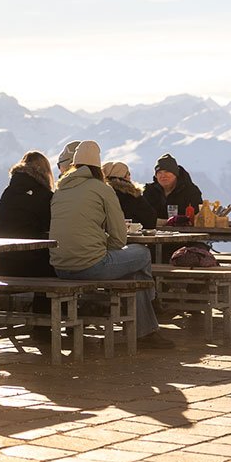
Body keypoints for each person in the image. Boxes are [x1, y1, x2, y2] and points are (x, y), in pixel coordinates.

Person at [49, 140, 173, 349]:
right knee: (141, 255)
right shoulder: (102, 189)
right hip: (90, 266)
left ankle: (144, 321)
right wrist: (102, 245)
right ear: (98, 167)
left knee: (132, 268)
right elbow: (119, 237)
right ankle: (148, 318)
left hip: (60, 267)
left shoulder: (60, 190)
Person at [0, 151, 56, 277]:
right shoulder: (45, 196)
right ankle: (42, 297)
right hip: (31, 263)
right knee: (62, 268)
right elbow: (52, 226)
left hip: (1, 263)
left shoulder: (8, 192)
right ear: (46, 172)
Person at [142, 153, 203, 221]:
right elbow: (142, 214)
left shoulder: (190, 191)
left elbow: (197, 216)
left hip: (184, 230)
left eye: (167, 172)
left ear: (175, 174)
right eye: (159, 173)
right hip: (153, 230)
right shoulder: (149, 191)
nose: (163, 176)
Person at [103, 161, 157, 230]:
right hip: (133, 235)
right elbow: (150, 218)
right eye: (128, 174)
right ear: (124, 176)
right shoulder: (132, 195)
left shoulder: (102, 192)